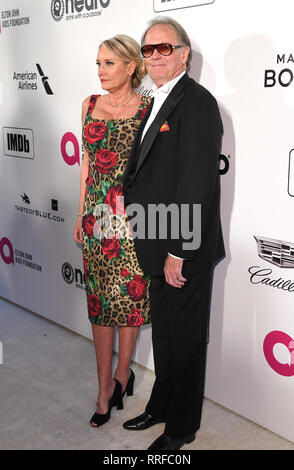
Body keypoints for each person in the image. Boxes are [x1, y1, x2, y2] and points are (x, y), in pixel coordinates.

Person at [122, 18, 225, 450]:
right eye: (148, 50)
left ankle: (182, 429)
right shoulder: (154, 100)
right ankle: (161, 406)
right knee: (164, 335)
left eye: (164, 48)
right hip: (155, 241)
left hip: (183, 249)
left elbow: (197, 184)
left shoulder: (197, 102)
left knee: (184, 340)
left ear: (184, 53)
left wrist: (179, 251)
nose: (154, 56)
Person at [73, 34, 151, 428]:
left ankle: (124, 373)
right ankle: (104, 388)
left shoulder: (148, 108)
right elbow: (87, 165)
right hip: (94, 220)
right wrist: (80, 212)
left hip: (132, 222)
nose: (101, 71)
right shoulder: (88, 105)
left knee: (129, 301)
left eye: (109, 63)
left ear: (131, 67)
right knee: (99, 304)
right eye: (98, 63)